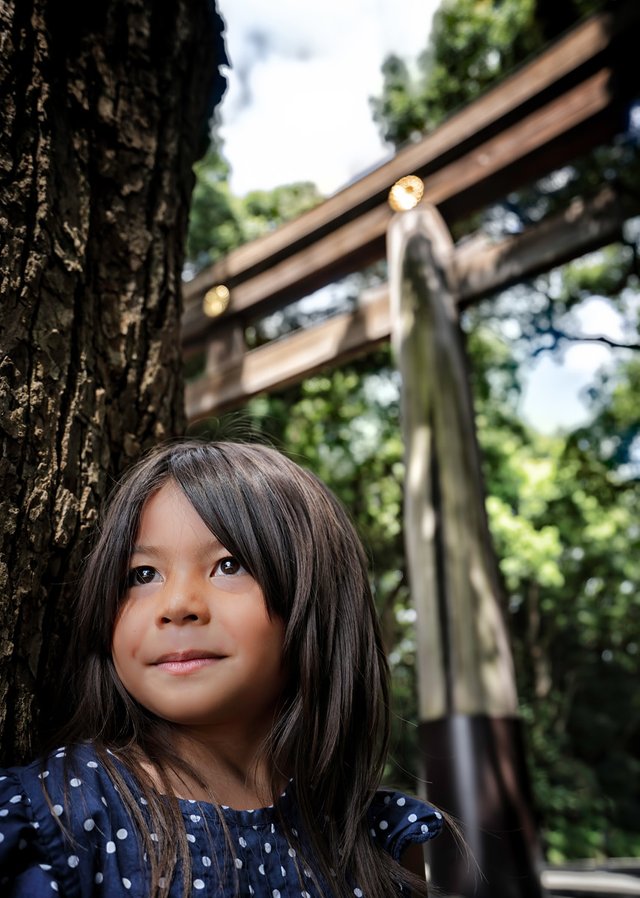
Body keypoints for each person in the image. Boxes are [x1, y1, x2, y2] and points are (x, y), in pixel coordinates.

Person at [0, 440, 442, 897]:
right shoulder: (57, 816)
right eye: (143, 574)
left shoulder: (379, 840)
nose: (176, 605)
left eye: (228, 565)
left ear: (317, 599)